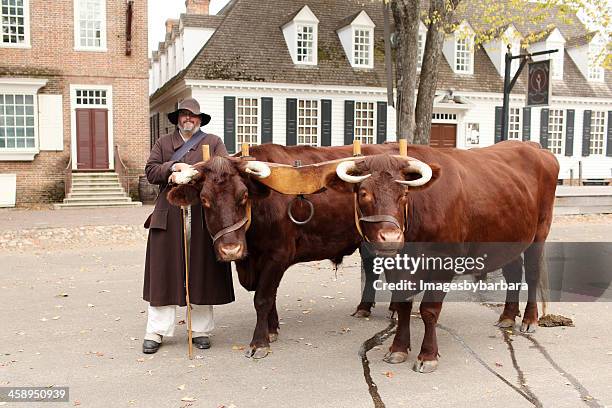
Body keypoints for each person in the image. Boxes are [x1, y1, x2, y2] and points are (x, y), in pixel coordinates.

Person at [142, 98, 234, 354]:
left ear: (200, 119)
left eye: (193, 116)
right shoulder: (163, 143)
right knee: (164, 272)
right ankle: (157, 331)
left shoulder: (213, 142)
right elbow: (150, 171)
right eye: (184, 115)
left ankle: (200, 330)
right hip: (169, 211)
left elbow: (224, 170)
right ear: (178, 118)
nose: (188, 119)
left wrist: (198, 171)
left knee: (201, 271)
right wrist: (173, 168)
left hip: (202, 212)